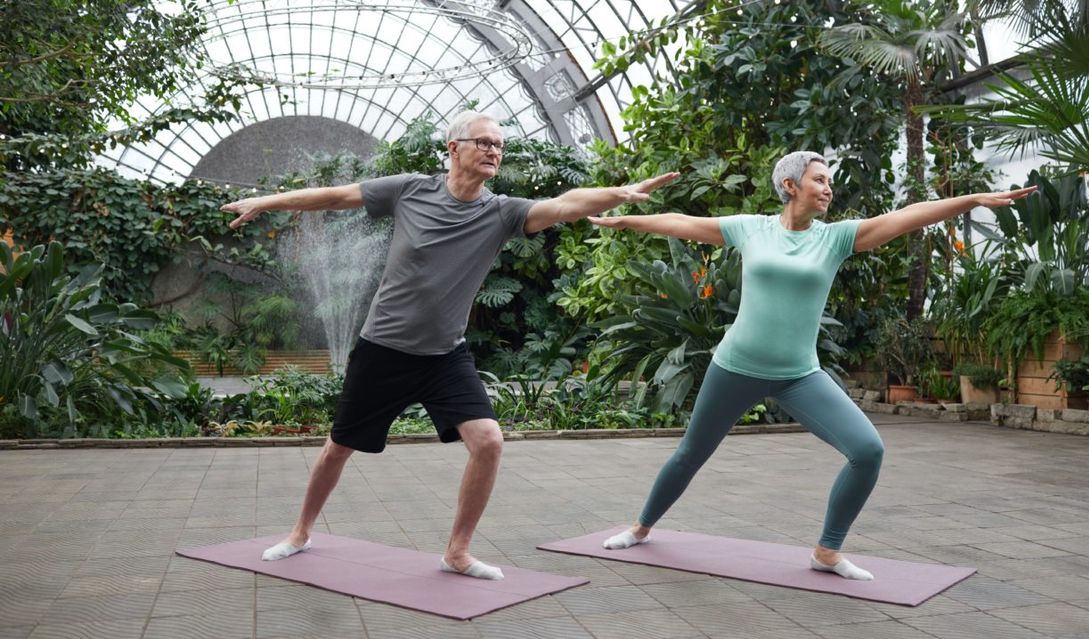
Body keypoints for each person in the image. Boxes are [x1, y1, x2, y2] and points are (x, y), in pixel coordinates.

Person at [223, 110, 678, 580]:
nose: (493, 151)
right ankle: (300, 533)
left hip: (445, 355)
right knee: (338, 447)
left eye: (499, 146)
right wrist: (269, 202)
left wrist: (621, 193)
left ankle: (457, 552)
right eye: (483, 142)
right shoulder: (410, 189)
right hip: (383, 349)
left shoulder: (502, 212)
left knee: (488, 442)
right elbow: (337, 196)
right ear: (453, 148)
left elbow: (564, 204)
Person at [590, 151, 1036, 580]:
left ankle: (827, 550)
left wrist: (971, 200)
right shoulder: (751, 229)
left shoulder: (836, 237)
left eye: (829, 181)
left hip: (798, 375)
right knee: (690, 454)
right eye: (819, 180)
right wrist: (626, 218)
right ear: (790, 185)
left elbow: (907, 216)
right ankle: (641, 527)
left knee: (867, 451)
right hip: (735, 367)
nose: (828, 188)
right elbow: (684, 224)